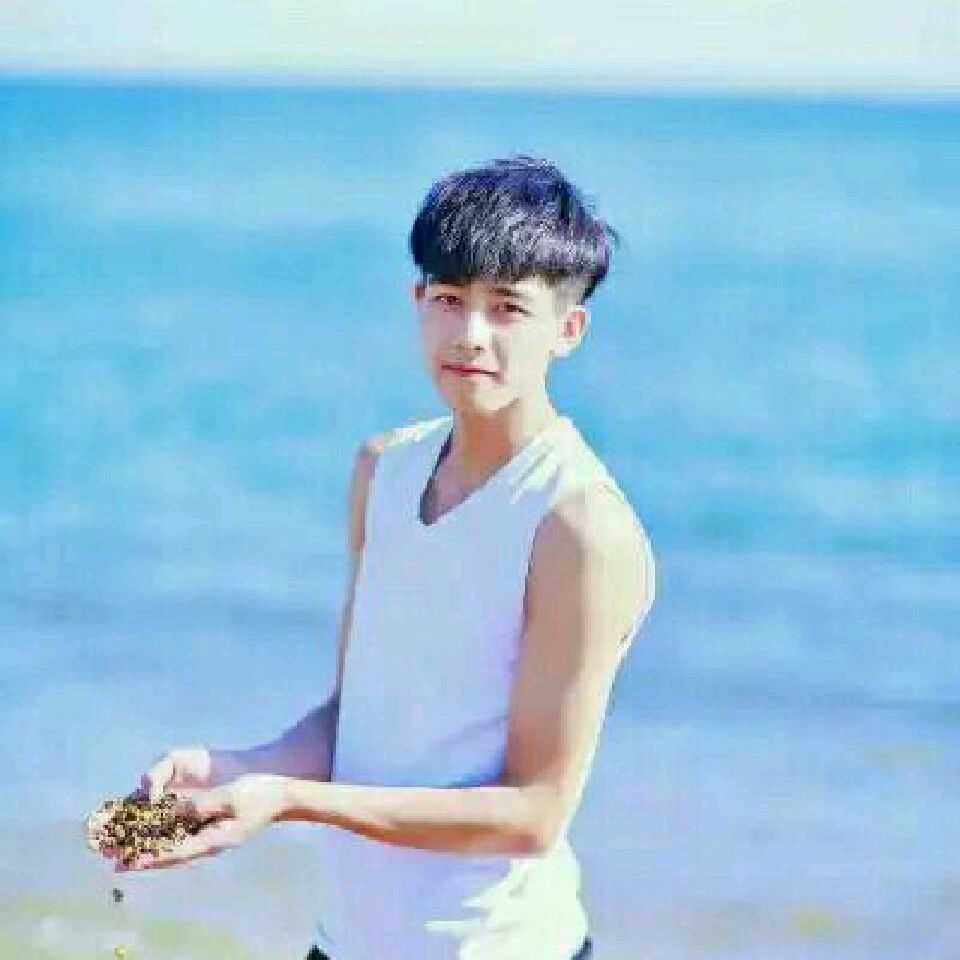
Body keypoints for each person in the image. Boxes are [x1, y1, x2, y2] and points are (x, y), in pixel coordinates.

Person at [114, 155, 656, 960]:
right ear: (417, 302)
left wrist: (289, 801)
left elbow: (534, 814)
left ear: (567, 331)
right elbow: (358, 717)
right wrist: (236, 770)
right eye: (449, 299)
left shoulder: (578, 527)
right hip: (346, 942)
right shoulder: (384, 470)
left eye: (508, 308)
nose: (470, 335)